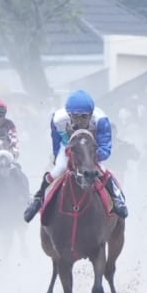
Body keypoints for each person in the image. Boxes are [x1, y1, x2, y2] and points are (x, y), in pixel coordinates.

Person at [21, 90, 129, 222]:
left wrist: (93, 157)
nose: (79, 121)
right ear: (69, 114)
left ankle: (117, 199)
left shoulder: (101, 120)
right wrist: (57, 156)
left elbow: (105, 147)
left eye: (84, 117)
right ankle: (38, 199)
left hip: (90, 148)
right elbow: (56, 141)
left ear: (91, 115)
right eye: (75, 116)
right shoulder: (58, 120)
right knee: (59, 169)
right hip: (68, 146)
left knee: (101, 169)